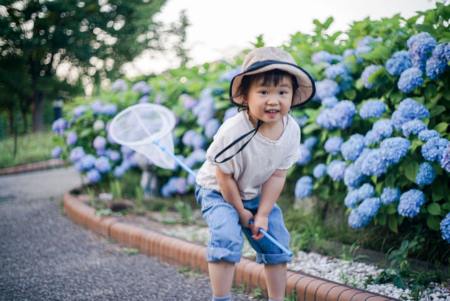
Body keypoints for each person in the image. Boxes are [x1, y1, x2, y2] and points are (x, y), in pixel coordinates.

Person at [195, 46, 315, 301]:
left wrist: (261, 214)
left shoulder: (291, 130)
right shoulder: (234, 130)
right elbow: (223, 176)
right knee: (227, 237)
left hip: (255, 192)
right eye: (263, 92)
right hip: (217, 190)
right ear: (246, 96)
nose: (273, 100)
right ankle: (221, 298)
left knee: (276, 242)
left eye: (282, 92)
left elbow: (277, 176)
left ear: (293, 95)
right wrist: (240, 212)